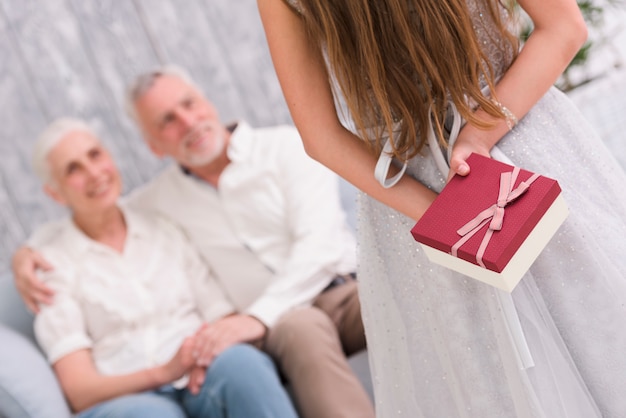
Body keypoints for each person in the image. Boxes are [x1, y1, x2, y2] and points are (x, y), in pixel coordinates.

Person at [257, 0, 626, 417]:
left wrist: (459, 174)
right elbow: (320, 136)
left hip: (499, 158)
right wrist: (449, 204)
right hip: (474, 168)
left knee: (593, 336)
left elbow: (564, 28)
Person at [13, 66, 373, 418]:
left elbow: (320, 246)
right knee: (300, 328)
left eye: (189, 104)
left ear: (208, 103)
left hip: (341, 292)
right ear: (154, 146)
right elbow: (95, 213)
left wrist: (254, 319)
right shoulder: (158, 202)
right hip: (284, 326)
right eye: (167, 120)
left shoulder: (286, 147)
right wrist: (28, 253)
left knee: (413, 285)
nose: (187, 122)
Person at [27, 118, 298, 418]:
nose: (94, 173)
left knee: (243, 364)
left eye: (95, 155)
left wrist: (205, 355)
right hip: (127, 398)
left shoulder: (164, 227)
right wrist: (165, 372)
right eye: (73, 169)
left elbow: (222, 316)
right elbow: (81, 391)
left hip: (199, 373)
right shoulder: (50, 265)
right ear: (55, 193)